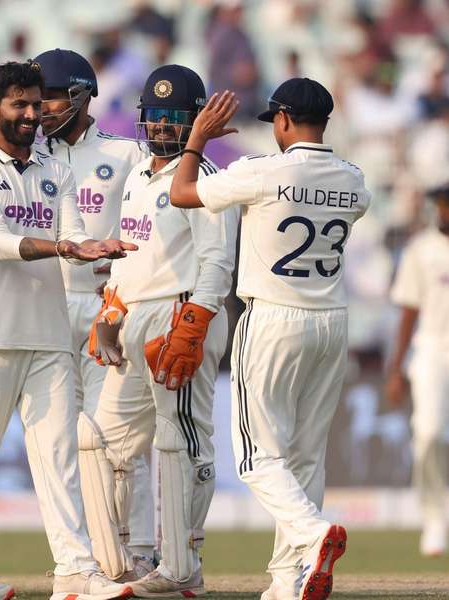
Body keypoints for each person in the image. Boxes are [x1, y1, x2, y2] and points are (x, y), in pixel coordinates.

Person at [0, 60, 136, 600]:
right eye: (20, 105)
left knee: (60, 458)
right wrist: (68, 246)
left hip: (47, 336)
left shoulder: (55, 168)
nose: (32, 114)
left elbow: (71, 232)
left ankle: (75, 569)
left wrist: (89, 247)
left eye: (37, 103)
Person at [169, 78, 371, 600]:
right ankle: (287, 581)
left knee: (258, 458)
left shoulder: (261, 172)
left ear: (282, 120)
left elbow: (181, 193)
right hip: (332, 321)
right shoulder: (354, 181)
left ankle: (313, 534)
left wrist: (196, 140)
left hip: (274, 320)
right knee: (305, 457)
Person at [87, 64, 237, 596]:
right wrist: (109, 310)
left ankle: (184, 560)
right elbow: (129, 253)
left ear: (195, 122)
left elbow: (217, 262)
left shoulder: (207, 180)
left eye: (175, 119)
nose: (162, 128)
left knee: (182, 441)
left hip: (181, 312)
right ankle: (125, 559)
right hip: (132, 316)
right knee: (101, 441)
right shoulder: (134, 176)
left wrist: (194, 323)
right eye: (155, 116)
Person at [31, 47, 158, 582]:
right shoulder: (26, 157)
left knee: (120, 436)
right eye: (37, 99)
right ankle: (91, 558)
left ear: (82, 96)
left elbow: (158, 216)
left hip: (107, 308)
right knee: (64, 441)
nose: (42, 109)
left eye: (53, 97)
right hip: (47, 309)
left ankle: (144, 548)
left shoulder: (125, 153)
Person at [385, 182, 449, 558]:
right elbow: (408, 312)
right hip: (431, 351)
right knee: (428, 433)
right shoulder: (421, 250)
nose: (444, 212)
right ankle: (434, 521)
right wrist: (396, 370)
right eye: (441, 206)